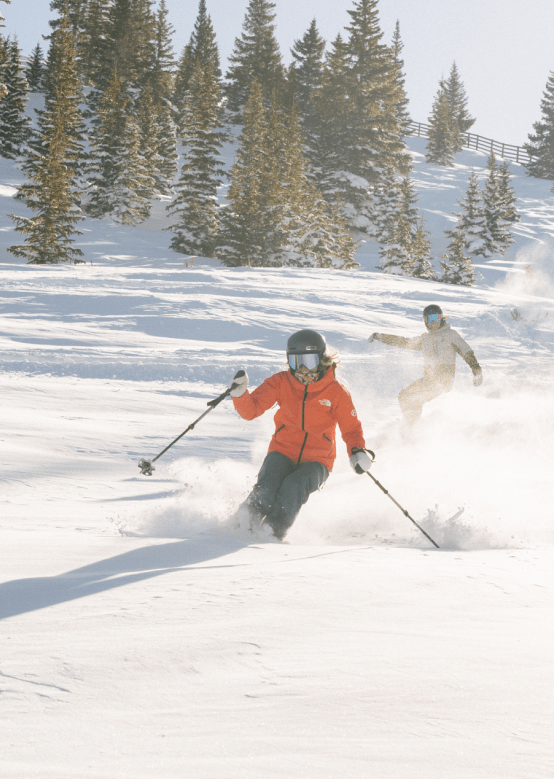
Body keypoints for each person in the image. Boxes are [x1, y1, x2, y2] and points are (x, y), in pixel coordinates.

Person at [229, 329, 373, 540]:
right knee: (267, 486)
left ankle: (271, 535)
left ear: (322, 359)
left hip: (318, 460)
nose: (303, 369)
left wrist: (357, 451)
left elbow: (351, 428)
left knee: (292, 488)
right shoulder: (281, 382)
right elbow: (252, 410)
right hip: (282, 451)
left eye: (309, 361)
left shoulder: (336, 392)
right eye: (296, 362)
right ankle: (238, 528)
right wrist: (240, 395)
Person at [369, 304, 483, 425]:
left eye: (436, 318)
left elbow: (467, 352)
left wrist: (477, 372)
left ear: (441, 318)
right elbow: (403, 342)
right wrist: (381, 337)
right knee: (404, 396)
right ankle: (412, 426)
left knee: (413, 398)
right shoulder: (425, 339)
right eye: (430, 319)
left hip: (443, 381)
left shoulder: (451, 335)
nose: (434, 322)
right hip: (429, 380)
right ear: (426, 321)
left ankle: (412, 428)